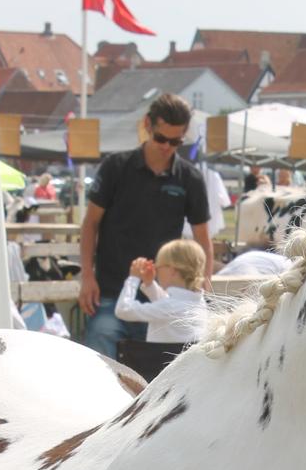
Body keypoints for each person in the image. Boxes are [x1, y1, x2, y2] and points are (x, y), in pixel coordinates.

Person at [77, 93, 212, 357]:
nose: (166, 147)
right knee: (98, 368)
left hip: (164, 296)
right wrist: (87, 276)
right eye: (161, 138)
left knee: (158, 377)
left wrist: (203, 284)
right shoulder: (116, 167)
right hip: (110, 290)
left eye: (176, 141)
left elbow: (203, 238)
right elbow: (90, 224)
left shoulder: (190, 178)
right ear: (147, 125)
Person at [114, 239, 208, 343]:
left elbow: (123, 309)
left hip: (159, 359)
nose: (156, 271)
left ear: (172, 270)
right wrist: (150, 284)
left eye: (158, 266)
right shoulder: (198, 302)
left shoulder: (170, 306)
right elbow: (166, 304)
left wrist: (133, 278)